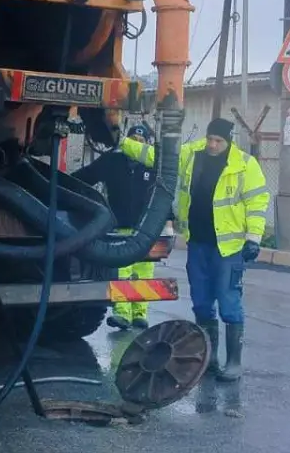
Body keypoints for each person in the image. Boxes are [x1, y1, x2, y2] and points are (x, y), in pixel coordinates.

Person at [117, 117, 269, 382]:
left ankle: (233, 362)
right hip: (198, 243)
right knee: (201, 302)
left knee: (228, 301)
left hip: (228, 248)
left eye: (218, 141)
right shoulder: (192, 153)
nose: (212, 144)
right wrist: (122, 142)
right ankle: (208, 359)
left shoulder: (245, 165)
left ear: (228, 141)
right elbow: (154, 156)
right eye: (210, 139)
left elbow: (256, 202)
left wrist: (253, 238)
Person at [71, 124, 157, 330]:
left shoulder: (153, 167)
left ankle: (140, 314)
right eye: (133, 140)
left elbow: (163, 194)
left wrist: (167, 221)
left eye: (141, 141)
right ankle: (122, 315)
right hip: (118, 227)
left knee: (143, 274)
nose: (137, 144)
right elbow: (85, 176)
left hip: (144, 230)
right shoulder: (113, 161)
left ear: (147, 145)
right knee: (122, 272)